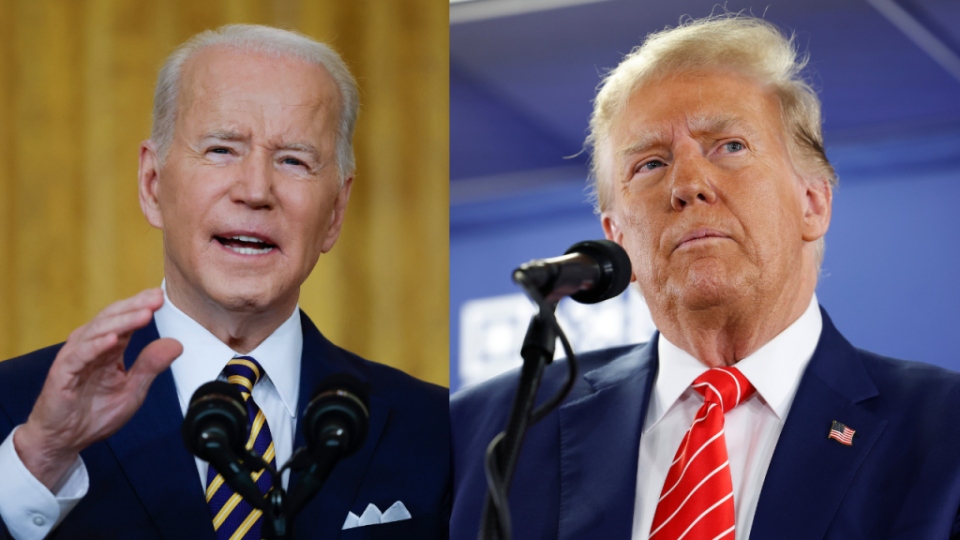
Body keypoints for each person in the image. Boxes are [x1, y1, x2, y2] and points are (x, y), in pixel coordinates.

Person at [451, 14, 960, 540]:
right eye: (650, 164)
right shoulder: (483, 435)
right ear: (617, 237)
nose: (688, 184)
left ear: (813, 203)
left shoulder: (945, 433)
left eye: (730, 146)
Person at [0, 25, 449, 540]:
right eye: (221, 150)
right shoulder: (17, 411)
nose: (256, 190)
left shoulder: (435, 428)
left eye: (294, 161)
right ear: (152, 184)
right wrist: (41, 460)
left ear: (335, 212)